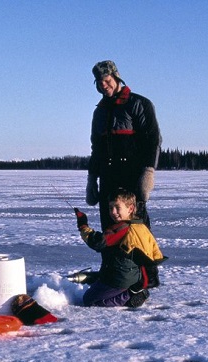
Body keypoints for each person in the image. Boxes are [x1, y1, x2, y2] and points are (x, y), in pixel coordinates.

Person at [87, 60, 162, 230]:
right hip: (108, 180)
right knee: (110, 232)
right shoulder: (99, 112)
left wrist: (148, 172)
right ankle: (110, 258)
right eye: (99, 83)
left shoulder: (139, 104)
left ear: (116, 77)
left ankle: (142, 258)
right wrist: (92, 179)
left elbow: (153, 140)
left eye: (107, 80)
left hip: (131, 179)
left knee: (136, 232)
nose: (103, 85)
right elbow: (96, 149)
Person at [75, 188, 166, 307]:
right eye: (110, 208)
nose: (113, 211)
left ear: (131, 208)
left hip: (121, 279)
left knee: (89, 299)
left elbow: (97, 242)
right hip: (133, 276)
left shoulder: (121, 229)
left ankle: (128, 296)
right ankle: (129, 289)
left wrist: (83, 225)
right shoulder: (140, 226)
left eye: (117, 207)